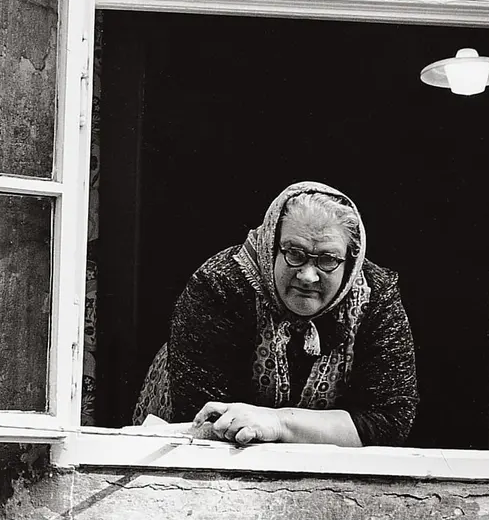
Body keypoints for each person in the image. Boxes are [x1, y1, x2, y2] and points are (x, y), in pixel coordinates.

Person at [132, 181, 417, 447]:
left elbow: (390, 420)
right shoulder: (220, 285)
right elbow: (208, 417)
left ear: (351, 261)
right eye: (294, 253)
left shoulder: (375, 296)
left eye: (328, 259)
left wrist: (279, 423)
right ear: (271, 245)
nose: (307, 276)